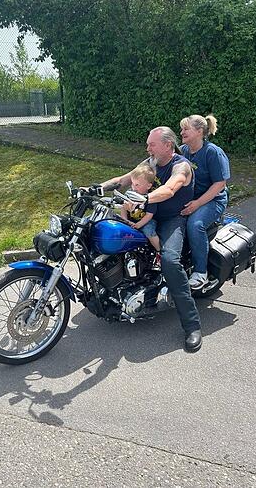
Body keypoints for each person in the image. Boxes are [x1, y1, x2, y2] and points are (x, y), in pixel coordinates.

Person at [100, 127, 202, 352]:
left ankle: (192, 325)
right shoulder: (150, 163)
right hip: (146, 216)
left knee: (170, 261)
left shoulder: (181, 166)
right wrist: (95, 188)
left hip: (172, 219)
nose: (147, 148)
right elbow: (123, 180)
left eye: (151, 144)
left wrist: (145, 198)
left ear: (168, 145)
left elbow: (170, 189)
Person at [179, 114, 231, 290]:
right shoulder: (183, 151)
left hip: (213, 200)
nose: (182, 132)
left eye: (186, 129)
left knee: (195, 225)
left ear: (199, 131)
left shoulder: (212, 152)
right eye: (182, 129)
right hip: (190, 199)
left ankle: (200, 272)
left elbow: (220, 184)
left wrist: (198, 203)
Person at [118, 163, 161, 264]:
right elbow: (123, 208)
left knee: (148, 231)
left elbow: (149, 215)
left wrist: (138, 225)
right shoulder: (129, 194)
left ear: (148, 185)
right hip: (130, 220)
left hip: (146, 222)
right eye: (132, 184)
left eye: (137, 185)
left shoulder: (151, 198)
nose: (134, 187)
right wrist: (125, 220)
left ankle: (159, 251)